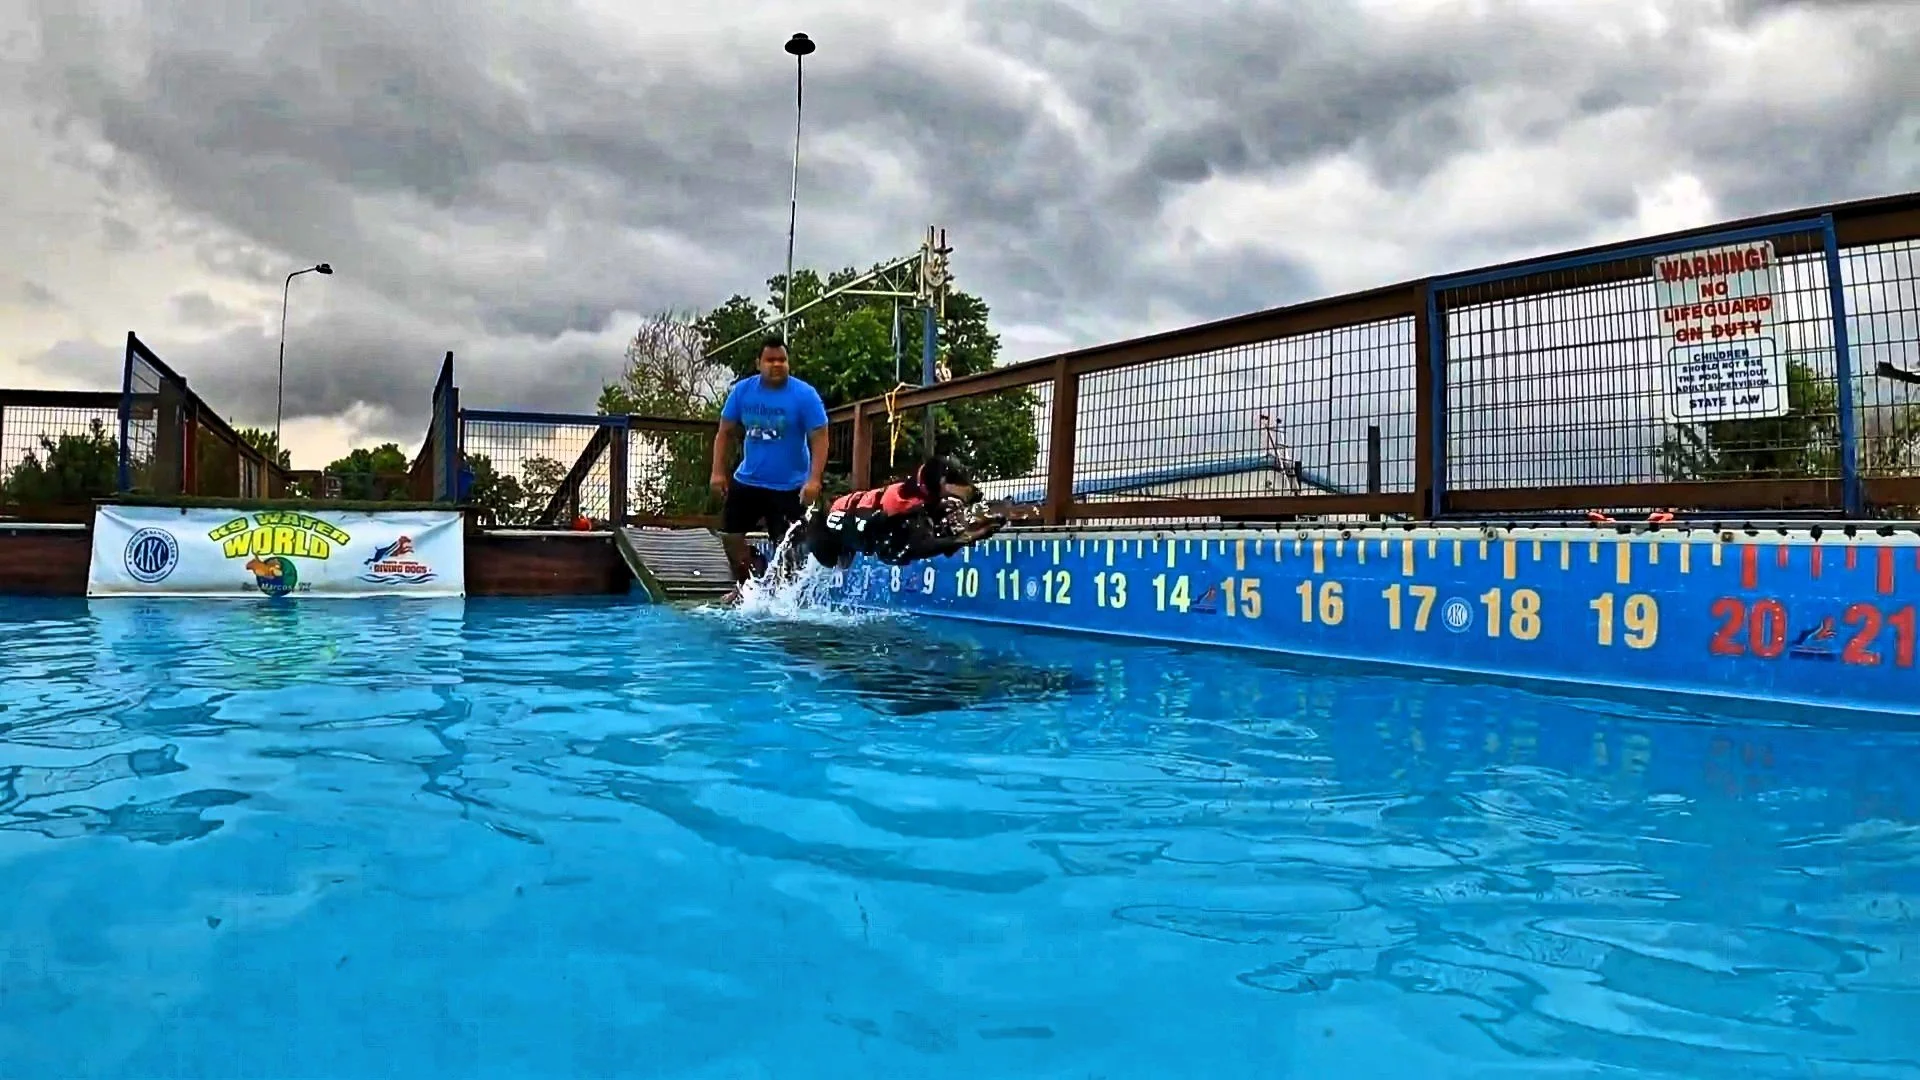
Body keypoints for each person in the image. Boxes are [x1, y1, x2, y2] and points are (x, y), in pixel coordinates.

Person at [710, 334, 830, 589]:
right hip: (749, 480)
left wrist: (814, 479)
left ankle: (783, 596)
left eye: (782, 360)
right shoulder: (743, 391)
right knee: (730, 536)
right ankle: (745, 587)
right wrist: (718, 472)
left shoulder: (805, 395)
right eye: (770, 360)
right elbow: (725, 433)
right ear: (758, 363)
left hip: (789, 486)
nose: (776, 365)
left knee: (789, 546)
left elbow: (820, 438)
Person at [783, 455, 1015, 573]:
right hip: (824, 534)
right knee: (829, 562)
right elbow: (918, 549)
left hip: (842, 524)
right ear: (943, 483)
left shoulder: (919, 495)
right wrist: (966, 537)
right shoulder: (903, 506)